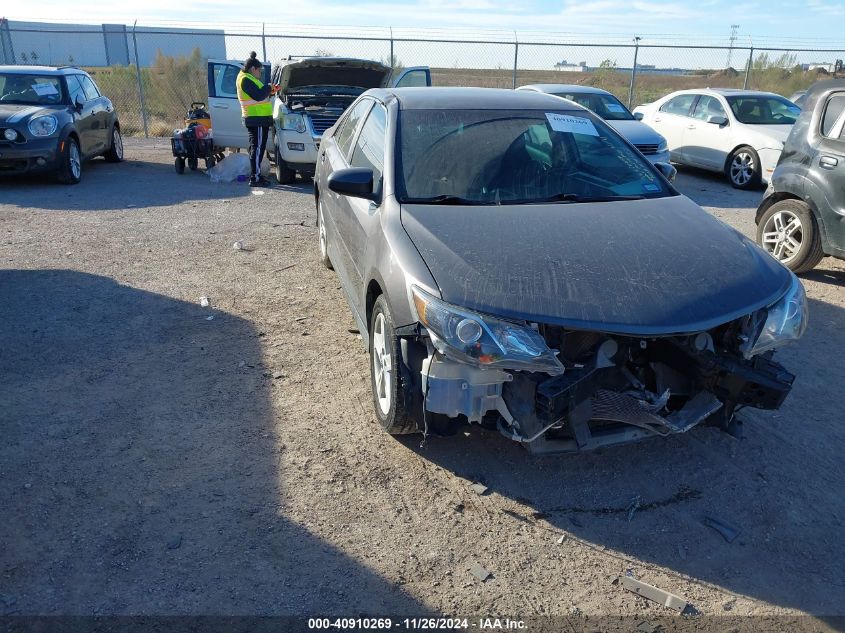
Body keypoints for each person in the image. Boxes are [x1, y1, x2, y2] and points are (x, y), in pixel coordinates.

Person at [237, 52, 277, 187]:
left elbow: (260, 97)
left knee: (256, 148)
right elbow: (259, 95)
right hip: (256, 119)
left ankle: (256, 175)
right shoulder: (245, 79)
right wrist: (268, 87)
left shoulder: (248, 78)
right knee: (258, 148)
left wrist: (270, 92)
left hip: (258, 119)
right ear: (253, 68)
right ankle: (255, 177)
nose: (260, 73)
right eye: (259, 70)